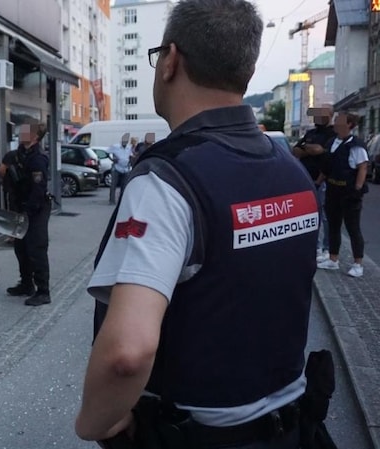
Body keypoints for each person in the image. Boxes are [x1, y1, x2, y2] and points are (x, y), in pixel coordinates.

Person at [75, 1, 319, 448]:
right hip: (293, 428)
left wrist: (95, 424)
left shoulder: (168, 180)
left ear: (170, 61)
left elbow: (126, 354)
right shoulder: (293, 172)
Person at [316, 112, 370, 278]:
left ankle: (358, 263)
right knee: (333, 226)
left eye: (339, 121)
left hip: (348, 192)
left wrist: (357, 188)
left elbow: (363, 167)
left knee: (353, 228)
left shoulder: (356, 145)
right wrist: (317, 183)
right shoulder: (332, 142)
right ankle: (333, 259)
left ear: (349, 125)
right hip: (333, 190)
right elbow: (327, 167)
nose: (336, 123)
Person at [6, 123, 51, 306]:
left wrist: (28, 211)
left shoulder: (37, 158)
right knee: (21, 247)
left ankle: (43, 291)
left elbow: (38, 189)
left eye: (26, 131)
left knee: (36, 249)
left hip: (36, 208)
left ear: (35, 137)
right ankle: (26, 284)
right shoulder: (19, 154)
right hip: (20, 206)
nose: (21, 133)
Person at [294, 106, 336, 262]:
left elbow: (322, 152)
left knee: (325, 216)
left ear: (330, 115)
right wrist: (311, 149)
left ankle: (327, 248)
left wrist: (310, 149)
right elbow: (296, 151)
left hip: (323, 181)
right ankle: (315, 246)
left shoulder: (334, 134)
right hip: (306, 179)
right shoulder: (311, 133)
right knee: (309, 214)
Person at [107, 133, 133, 205]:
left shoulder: (129, 147)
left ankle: (121, 201)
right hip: (116, 168)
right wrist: (112, 159)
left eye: (126, 141)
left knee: (124, 186)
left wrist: (130, 161)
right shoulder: (115, 146)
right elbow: (107, 153)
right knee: (113, 185)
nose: (125, 142)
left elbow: (130, 156)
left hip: (126, 169)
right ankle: (112, 200)